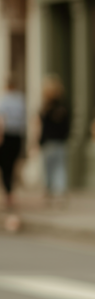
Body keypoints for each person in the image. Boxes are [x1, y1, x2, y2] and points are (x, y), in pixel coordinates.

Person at [0, 78, 27, 230]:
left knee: (5, 166)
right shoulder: (20, 99)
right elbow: (24, 120)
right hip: (17, 137)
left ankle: (8, 194)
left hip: (6, 136)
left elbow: (1, 119)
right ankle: (10, 194)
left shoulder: (4, 100)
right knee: (11, 166)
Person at [39, 75, 70, 200]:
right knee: (60, 168)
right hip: (60, 142)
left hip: (49, 142)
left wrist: (40, 141)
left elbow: (43, 127)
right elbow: (67, 126)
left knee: (50, 169)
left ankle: (50, 191)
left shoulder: (46, 108)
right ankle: (59, 191)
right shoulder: (63, 107)